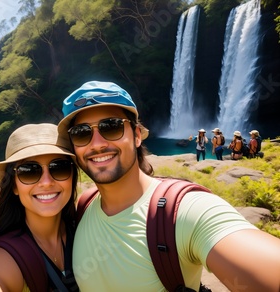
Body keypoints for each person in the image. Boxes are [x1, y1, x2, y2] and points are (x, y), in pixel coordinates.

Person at [57, 81, 280, 291]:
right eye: (81, 133)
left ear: (136, 136)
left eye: (111, 127)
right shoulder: (83, 206)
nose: (97, 144)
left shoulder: (184, 211)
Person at [0, 123, 79, 291]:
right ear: (14, 186)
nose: (46, 182)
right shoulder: (0, 260)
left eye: (59, 168)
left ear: (72, 177)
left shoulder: (84, 229)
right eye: (29, 171)